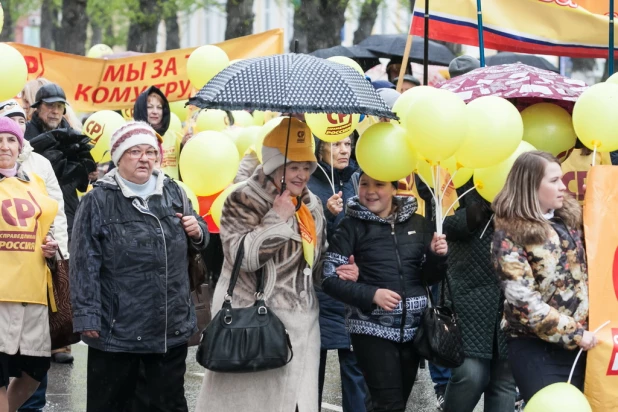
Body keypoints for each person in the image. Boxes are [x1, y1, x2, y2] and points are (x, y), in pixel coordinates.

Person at [195, 117, 344, 412]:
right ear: (275, 166)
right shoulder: (243, 198)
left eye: (306, 167)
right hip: (254, 324)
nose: (301, 175)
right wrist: (277, 218)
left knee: (297, 402)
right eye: (293, 167)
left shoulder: (311, 204)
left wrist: (338, 269)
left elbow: (314, 266)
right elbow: (242, 257)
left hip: (303, 326)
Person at [69, 121, 209, 412]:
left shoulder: (174, 192)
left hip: (167, 328)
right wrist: (87, 315)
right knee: (114, 404)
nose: (144, 158)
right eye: (134, 152)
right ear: (119, 157)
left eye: (150, 151)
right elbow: (84, 262)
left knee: (167, 405)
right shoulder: (98, 200)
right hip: (117, 330)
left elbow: (197, 237)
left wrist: (199, 232)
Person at [322, 171, 448, 412]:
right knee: (388, 405)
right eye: (364, 184)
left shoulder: (419, 223)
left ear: (394, 188)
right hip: (370, 330)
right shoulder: (350, 226)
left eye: (379, 183)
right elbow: (329, 278)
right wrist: (372, 295)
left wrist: (437, 257)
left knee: (396, 404)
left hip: (414, 331)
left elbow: (430, 278)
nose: (370, 191)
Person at [492, 151, 596, 403]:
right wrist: (574, 334)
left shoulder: (572, 220)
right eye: (554, 181)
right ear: (530, 185)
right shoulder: (509, 233)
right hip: (536, 348)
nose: (563, 187)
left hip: (586, 345)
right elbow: (524, 301)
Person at [0, 102, 70, 412]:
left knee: (35, 371)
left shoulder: (35, 183)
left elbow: (49, 231)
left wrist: (53, 249)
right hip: (0, 295)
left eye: (11, 139)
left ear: (20, 145)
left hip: (33, 295)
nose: (5, 146)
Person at [307, 137, 369, 412]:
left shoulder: (358, 179)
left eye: (347, 143)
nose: (344, 150)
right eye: (336, 145)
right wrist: (327, 215)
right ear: (320, 147)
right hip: (319, 288)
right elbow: (304, 239)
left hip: (353, 285)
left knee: (355, 368)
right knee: (312, 370)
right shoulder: (308, 182)